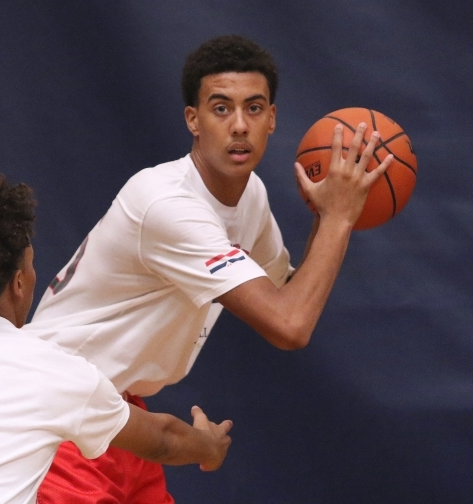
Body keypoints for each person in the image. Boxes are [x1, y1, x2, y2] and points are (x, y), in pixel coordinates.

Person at [27, 35, 394, 502]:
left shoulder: (250, 195)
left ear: (273, 120)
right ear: (193, 120)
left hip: (120, 413)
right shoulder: (169, 204)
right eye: (221, 109)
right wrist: (339, 218)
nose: (239, 125)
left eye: (254, 108)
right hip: (58, 412)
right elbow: (290, 325)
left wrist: (327, 217)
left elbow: (289, 293)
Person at [0, 169, 232, 504]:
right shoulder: (57, 371)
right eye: (29, 265)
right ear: (17, 283)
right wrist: (208, 446)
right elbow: (163, 440)